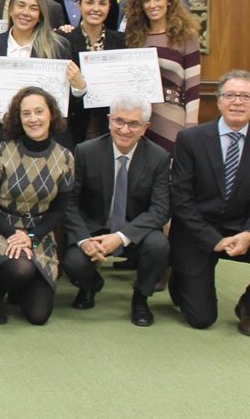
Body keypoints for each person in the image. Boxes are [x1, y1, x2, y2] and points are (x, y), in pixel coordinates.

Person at [169, 71, 250, 337]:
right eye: (230, 95)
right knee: (201, 319)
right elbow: (180, 198)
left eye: (246, 96)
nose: (237, 102)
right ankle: (179, 277)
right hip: (196, 231)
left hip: (239, 227)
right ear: (219, 101)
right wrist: (212, 239)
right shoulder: (191, 139)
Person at [62, 94, 171, 326]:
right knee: (73, 260)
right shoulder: (86, 151)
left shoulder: (159, 158)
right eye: (119, 121)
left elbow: (160, 210)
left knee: (159, 245)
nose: (124, 129)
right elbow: (69, 203)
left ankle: (140, 298)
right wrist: (84, 240)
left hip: (134, 230)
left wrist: (121, 237)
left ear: (146, 127)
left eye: (134, 124)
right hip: (95, 228)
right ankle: (90, 285)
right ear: (109, 120)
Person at [0, 87, 74, 326]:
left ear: (51, 114)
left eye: (39, 111)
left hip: (38, 232)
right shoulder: (1, 152)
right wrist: (13, 234)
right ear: (18, 118)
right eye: (26, 113)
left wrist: (31, 236)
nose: (33, 119)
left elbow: (58, 210)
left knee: (39, 316)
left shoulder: (65, 158)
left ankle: (19, 287)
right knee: (20, 269)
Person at [0, 0, 85, 153]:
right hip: (2, 135)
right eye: (21, 5)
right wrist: (1, 116)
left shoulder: (58, 47)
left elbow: (67, 102)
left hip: (48, 136)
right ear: (11, 10)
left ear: (40, 15)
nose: (26, 12)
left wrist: (79, 87)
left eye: (33, 8)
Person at [123, 0, 200, 153]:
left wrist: (191, 125)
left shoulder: (186, 36)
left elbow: (193, 85)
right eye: (147, 0)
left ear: (169, 1)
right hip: (137, 119)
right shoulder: (134, 37)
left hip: (171, 119)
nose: (152, 5)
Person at [57, 0, 126, 142]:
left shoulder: (122, 41)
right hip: (74, 126)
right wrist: (78, 88)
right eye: (89, 2)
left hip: (113, 126)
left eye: (102, 3)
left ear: (109, 7)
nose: (96, 8)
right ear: (79, 5)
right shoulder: (63, 41)